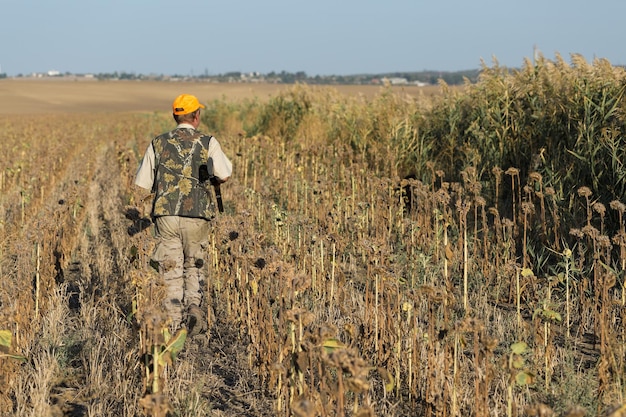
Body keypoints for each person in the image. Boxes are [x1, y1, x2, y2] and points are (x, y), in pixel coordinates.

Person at [134, 93, 232, 335]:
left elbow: (142, 182)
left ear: (174, 116)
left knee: (171, 267)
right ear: (196, 116)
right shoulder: (208, 142)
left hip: (166, 214)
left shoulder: (157, 143)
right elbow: (225, 174)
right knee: (193, 264)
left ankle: (174, 321)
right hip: (197, 213)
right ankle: (194, 308)